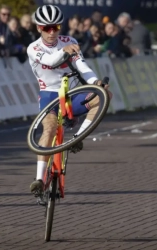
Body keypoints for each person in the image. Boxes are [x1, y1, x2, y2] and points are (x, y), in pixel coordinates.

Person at [27, 5, 112, 197]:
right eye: (46, 28)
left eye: (55, 27)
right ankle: (39, 179)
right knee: (49, 129)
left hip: (71, 93)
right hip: (49, 95)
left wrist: (95, 82)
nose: (51, 32)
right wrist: (65, 51)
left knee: (103, 97)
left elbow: (82, 67)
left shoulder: (70, 41)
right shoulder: (33, 48)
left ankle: (77, 138)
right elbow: (50, 61)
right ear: (39, 28)